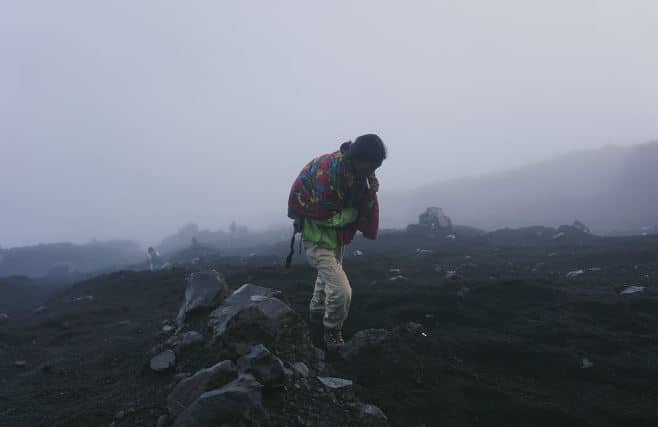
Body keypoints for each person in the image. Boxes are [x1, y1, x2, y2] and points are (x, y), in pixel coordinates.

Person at [287, 134, 386, 348]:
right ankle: (332, 332)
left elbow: (349, 204)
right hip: (316, 233)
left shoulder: (357, 172)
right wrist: (354, 214)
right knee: (341, 290)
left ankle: (315, 314)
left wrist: (369, 192)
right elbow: (326, 215)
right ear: (359, 159)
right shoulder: (329, 173)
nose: (372, 172)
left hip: (334, 234)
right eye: (370, 166)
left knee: (327, 276)